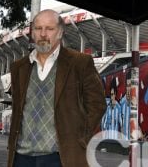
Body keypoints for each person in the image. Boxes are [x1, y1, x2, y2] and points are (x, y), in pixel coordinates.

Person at [7, 9, 106, 167]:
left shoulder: (80, 63)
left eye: (50, 29)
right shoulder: (19, 67)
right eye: (38, 28)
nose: (43, 34)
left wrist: (80, 136)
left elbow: (97, 104)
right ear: (32, 33)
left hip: (61, 157)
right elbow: (18, 109)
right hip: (21, 157)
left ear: (60, 32)